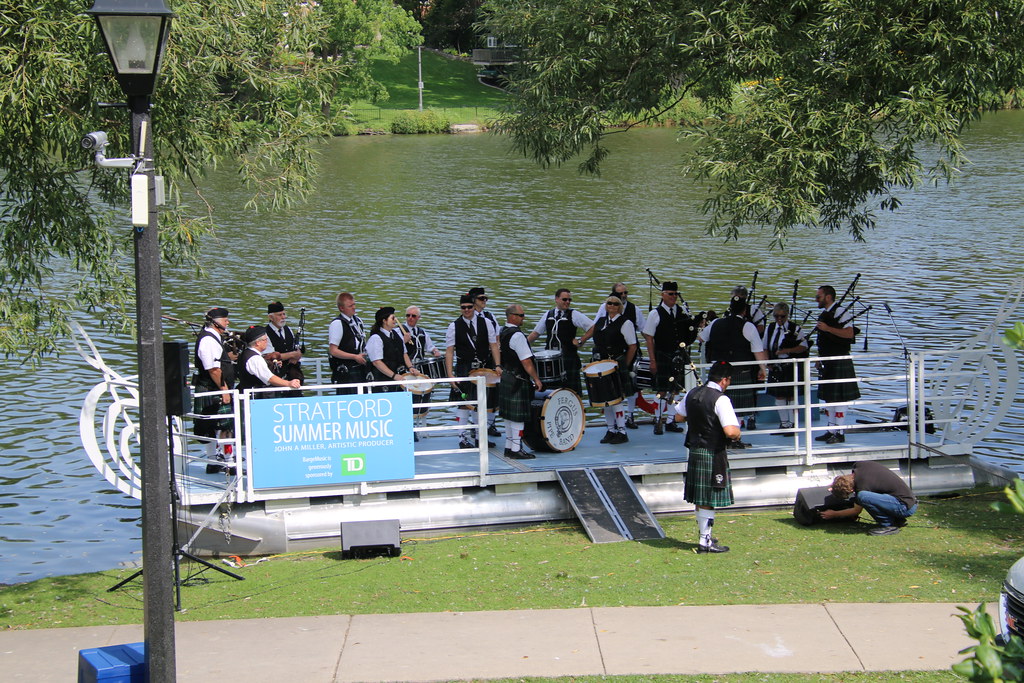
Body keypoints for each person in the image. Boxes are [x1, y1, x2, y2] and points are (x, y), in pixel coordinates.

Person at [673, 360, 742, 553]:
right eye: (729, 381)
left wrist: (697, 415)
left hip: (695, 449)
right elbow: (730, 431)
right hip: (713, 451)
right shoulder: (721, 399)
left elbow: (678, 417)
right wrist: (738, 434)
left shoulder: (693, 393)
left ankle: (706, 537)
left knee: (701, 498)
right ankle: (705, 542)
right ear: (725, 380)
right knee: (709, 498)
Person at [699, 291, 768, 442]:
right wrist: (763, 370)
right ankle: (734, 439)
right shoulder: (748, 326)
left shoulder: (715, 323)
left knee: (718, 405)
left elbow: (701, 338)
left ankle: (722, 437)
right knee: (736, 409)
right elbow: (758, 350)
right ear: (744, 311)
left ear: (729, 308)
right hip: (739, 372)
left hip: (717, 372)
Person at [446, 294, 502, 449]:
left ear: (474, 307)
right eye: (463, 307)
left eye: (469, 307)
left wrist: (498, 365)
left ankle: (479, 437)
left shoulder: (487, 323)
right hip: (464, 368)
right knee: (464, 403)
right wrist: (450, 375)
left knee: (481, 404)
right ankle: (461, 438)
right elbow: (449, 352)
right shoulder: (454, 326)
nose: (466, 310)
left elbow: (494, 345)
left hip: (483, 369)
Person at [580, 295, 636, 444]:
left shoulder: (626, 323)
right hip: (599, 362)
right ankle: (611, 430)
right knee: (605, 400)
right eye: (609, 303)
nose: (611, 306)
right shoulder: (601, 321)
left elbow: (632, 346)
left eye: (615, 304)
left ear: (619, 307)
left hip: (615, 363)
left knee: (616, 399)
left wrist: (625, 364)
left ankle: (622, 431)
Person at [642, 281, 696, 434]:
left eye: (675, 294)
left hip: (679, 356)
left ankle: (671, 421)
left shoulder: (682, 312)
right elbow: (649, 338)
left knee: (676, 390)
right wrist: (652, 360)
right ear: (663, 294)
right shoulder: (655, 313)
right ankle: (658, 419)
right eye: (670, 294)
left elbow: (689, 334)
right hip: (662, 356)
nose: (673, 297)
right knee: (662, 390)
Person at [192, 307, 238, 474]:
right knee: (224, 427)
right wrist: (224, 389)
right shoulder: (208, 340)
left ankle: (214, 462)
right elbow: (214, 369)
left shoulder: (211, 337)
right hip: (214, 388)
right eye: (225, 319)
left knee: (211, 425)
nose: (228, 322)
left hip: (212, 387)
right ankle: (229, 463)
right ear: (216, 322)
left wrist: (228, 357)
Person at [594, 282, 645, 429]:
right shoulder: (603, 314)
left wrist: (627, 363)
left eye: (625, 293)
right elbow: (594, 327)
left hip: (625, 355)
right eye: (619, 294)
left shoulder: (633, 312)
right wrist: (581, 340)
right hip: (605, 358)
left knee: (627, 390)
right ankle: (612, 427)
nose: (623, 296)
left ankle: (629, 419)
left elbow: (643, 332)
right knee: (609, 395)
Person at [814, 285, 861, 444]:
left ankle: (839, 433)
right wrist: (820, 358)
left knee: (839, 397)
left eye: (818, 297)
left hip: (840, 358)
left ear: (828, 297)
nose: (816, 299)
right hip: (827, 359)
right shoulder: (825, 313)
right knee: (829, 398)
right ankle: (831, 430)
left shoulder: (841, 312)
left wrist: (828, 328)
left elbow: (850, 333)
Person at [821, 461, 918, 535]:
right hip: (906, 499)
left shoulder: (862, 487)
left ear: (851, 490)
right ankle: (897, 520)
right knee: (866, 497)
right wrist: (835, 486)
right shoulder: (859, 466)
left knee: (863, 497)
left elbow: (856, 511)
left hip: (904, 506)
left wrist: (834, 514)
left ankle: (888, 525)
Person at [528, 288, 593, 396]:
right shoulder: (548, 314)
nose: (567, 302)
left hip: (568, 359)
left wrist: (581, 340)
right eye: (564, 299)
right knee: (550, 392)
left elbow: (593, 327)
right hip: (550, 360)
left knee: (571, 392)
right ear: (556, 299)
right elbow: (536, 333)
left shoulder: (574, 314)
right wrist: (523, 345)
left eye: (569, 300)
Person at [498, 304, 543, 459]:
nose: (523, 318)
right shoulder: (518, 336)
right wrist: (536, 378)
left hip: (507, 376)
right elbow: (526, 362)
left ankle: (509, 446)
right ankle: (516, 449)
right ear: (512, 316)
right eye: (521, 315)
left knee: (509, 416)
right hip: (518, 379)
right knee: (518, 416)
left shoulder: (502, 332)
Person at [762, 302, 808, 433]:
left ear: (788, 315)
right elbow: (764, 346)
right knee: (779, 396)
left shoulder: (795, 328)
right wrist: (767, 362)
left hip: (790, 365)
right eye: (776, 316)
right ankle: (784, 424)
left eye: (782, 316)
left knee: (791, 396)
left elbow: (804, 346)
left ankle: (793, 425)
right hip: (774, 366)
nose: (779, 319)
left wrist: (786, 350)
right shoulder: (770, 328)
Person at [468, 287, 501, 436]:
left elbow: (497, 337)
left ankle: (490, 424)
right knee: (475, 394)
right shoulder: (468, 316)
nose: (485, 301)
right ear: (474, 301)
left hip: (490, 358)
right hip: (475, 359)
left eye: (486, 298)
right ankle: (475, 427)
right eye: (482, 299)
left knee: (492, 392)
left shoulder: (490, 316)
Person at [366, 307, 420, 393]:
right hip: (382, 381)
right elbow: (377, 362)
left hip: (397, 379)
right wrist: (394, 376)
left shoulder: (395, 334)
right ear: (384, 321)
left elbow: (404, 353)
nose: (395, 320)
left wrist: (410, 367)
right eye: (392, 318)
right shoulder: (376, 338)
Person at [236, 325, 302, 395]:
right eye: (265, 339)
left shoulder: (246, 353)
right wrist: (289, 383)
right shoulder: (255, 358)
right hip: (254, 398)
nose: (267, 342)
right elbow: (269, 378)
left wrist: (271, 365)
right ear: (257, 343)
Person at [327, 292, 368, 395]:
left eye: (354, 304)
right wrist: (354, 357)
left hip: (360, 369)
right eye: (350, 306)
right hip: (346, 372)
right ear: (341, 308)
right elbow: (333, 351)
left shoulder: (357, 321)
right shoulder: (337, 324)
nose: (354, 307)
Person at [263, 301, 304, 394]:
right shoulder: (266, 333)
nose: (283, 317)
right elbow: (271, 355)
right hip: (276, 375)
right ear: (270, 317)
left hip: (292, 373)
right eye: (279, 315)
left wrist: (296, 356)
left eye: (284, 314)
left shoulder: (287, 329)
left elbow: (294, 348)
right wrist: (292, 355)